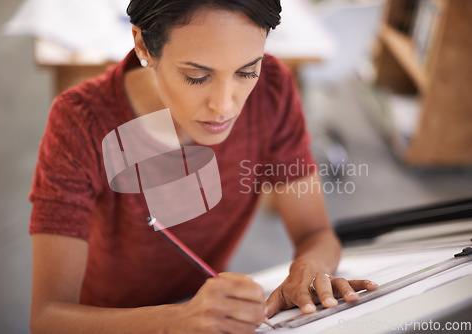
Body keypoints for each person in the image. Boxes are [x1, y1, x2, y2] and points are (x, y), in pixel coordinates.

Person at [29, 0, 378, 333]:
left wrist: (309, 268)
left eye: (246, 72)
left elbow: (315, 233)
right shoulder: (80, 122)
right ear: (143, 45)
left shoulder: (272, 89)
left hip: (205, 309)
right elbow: (48, 318)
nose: (224, 106)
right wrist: (177, 322)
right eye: (197, 76)